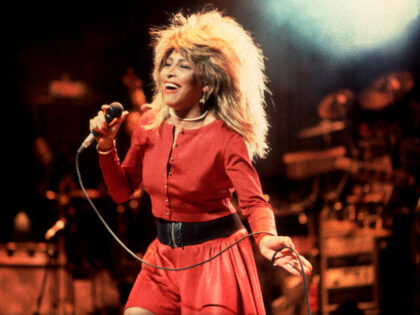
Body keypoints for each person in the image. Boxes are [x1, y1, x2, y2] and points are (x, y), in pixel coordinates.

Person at [89, 9, 312, 315]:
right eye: (167, 64)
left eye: (182, 66)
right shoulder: (149, 124)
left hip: (215, 260)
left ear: (206, 83)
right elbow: (121, 192)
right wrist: (105, 146)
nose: (170, 72)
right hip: (163, 258)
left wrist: (265, 240)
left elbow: (254, 202)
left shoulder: (226, 137)